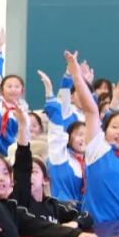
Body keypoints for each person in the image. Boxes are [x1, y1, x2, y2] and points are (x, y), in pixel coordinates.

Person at [0, 105, 99, 237]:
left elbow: (41, 226)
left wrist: (76, 231)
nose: (0, 178)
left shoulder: (16, 207)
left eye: (6, 173)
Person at [67, 51, 119, 222]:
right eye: (115, 127)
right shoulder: (99, 150)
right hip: (95, 230)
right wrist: (77, 76)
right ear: (105, 132)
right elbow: (91, 111)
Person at [39, 70, 85, 205]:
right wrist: (49, 93)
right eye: (79, 134)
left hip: (87, 213)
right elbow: (56, 131)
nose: (83, 139)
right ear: (68, 137)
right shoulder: (59, 155)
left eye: (87, 135)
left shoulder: (92, 162)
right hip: (62, 211)